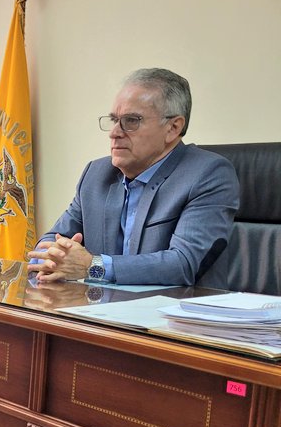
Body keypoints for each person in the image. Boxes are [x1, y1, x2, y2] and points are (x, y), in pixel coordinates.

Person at [28, 68, 240, 288]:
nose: (114, 133)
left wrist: (94, 266)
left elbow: (184, 264)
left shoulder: (208, 174)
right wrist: (51, 256)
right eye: (114, 120)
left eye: (131, 121)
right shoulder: (97, 174)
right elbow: (55, 237)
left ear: (173, 127)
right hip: (101, 313)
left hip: (172, 315)